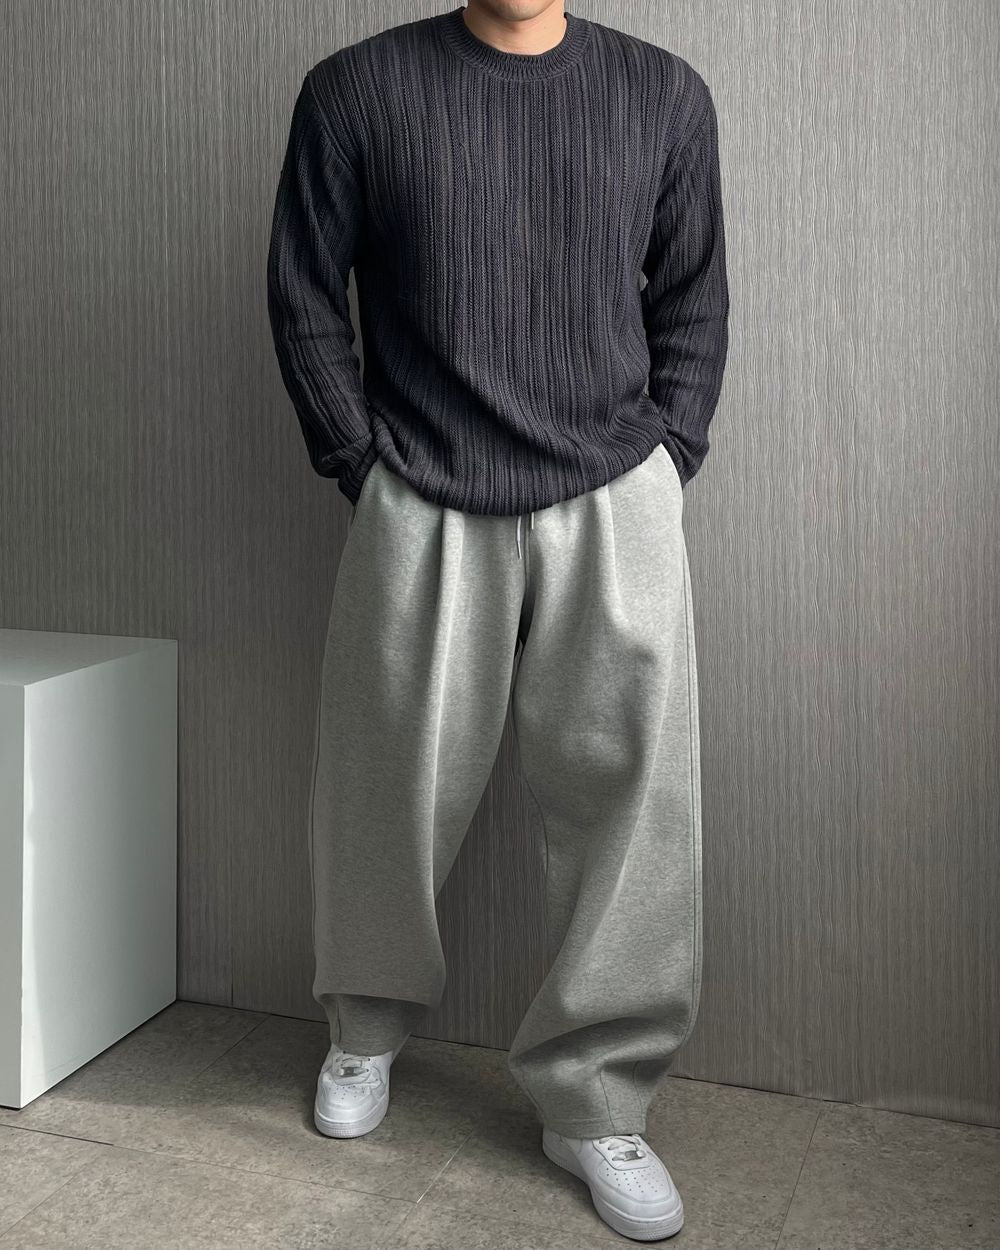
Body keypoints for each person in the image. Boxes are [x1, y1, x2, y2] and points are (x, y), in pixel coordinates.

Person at [266, 1, 729, 1240]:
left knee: (633, 806)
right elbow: (305, 293)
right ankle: (363, 1031)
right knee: (384, 782)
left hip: (614, 494)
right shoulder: (356, 91)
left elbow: (692, 298)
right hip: (421, 488)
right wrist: (361, 465)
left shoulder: (664, 95)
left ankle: (597, 1099)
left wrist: (667, 459)